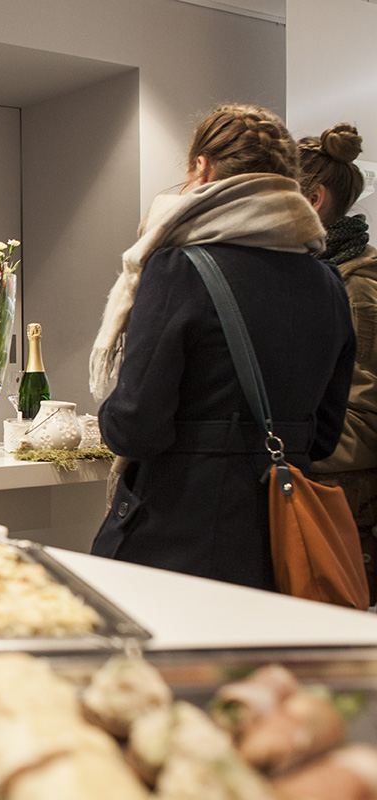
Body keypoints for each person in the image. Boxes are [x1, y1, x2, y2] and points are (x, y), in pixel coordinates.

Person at [87, 103, 356, 590]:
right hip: (281, 549)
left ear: (204, 168)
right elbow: (324, 435)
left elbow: (135, 428)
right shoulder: (328, 281)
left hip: (177, 541)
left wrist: (108, 417)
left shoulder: (177, 267)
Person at [298, 123, 377, 605]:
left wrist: (281, 451)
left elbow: (363, 422)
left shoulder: (356, 287)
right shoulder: (323, 274)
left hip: (340, 504)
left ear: (314, 198)